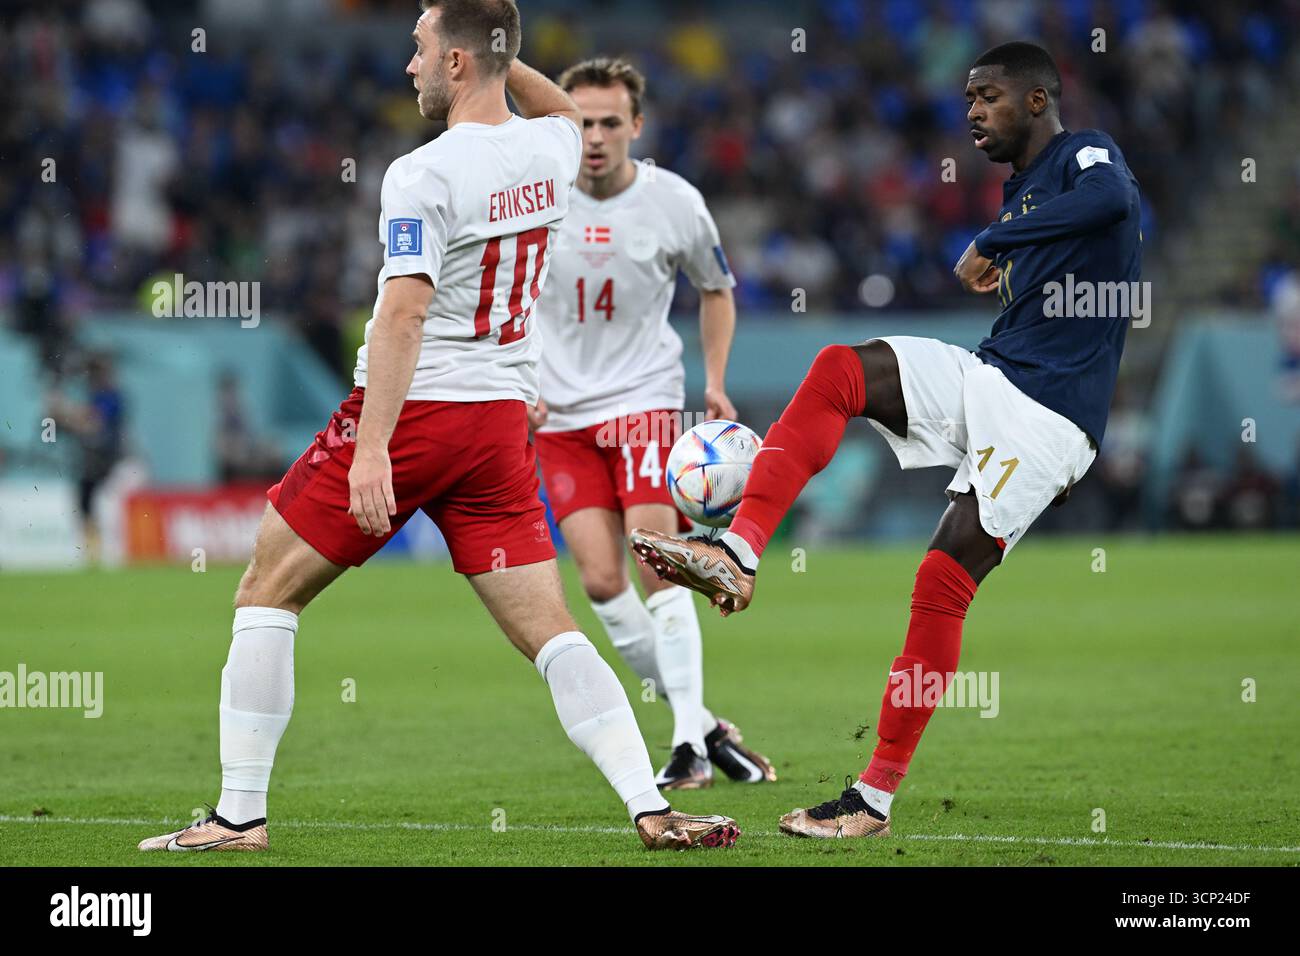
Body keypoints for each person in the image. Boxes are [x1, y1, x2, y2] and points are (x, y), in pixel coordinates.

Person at [139, 0, 738, 854]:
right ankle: (650, 805)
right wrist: (501, 53)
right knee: (552, 628)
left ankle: (239, 816)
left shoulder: (421, 173)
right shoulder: (551, 147)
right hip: (499, 429)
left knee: (266, 591)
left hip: (420, 410)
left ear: (457, 62)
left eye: (420, 48)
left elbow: (403, 317)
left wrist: (374, 446)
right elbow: (560, 108)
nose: (409, 65)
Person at [632, 42, 1141, 839]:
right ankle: (740, 549)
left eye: (989, 96)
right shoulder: (1025, 188)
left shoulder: (1085, 154)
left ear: (1038, 100)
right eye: (968, 97)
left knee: (942, 583)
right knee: (842, 369)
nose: (972, 110)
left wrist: (997, 239)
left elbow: (1112, 201)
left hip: (1050, 418)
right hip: (996, 376)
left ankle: (871, 798)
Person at [530, 57, 774, 790]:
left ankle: (686, 749)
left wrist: (718, 384)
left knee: (654, 559)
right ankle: (702, 726)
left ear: (636, 126)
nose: (596, 136)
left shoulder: (674, 202)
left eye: (610, 122)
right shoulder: (534, 201)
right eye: (581, 122)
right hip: (560, 415)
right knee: (602, 583)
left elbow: (717, 290)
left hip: (641, 399)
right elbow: (499, 296)